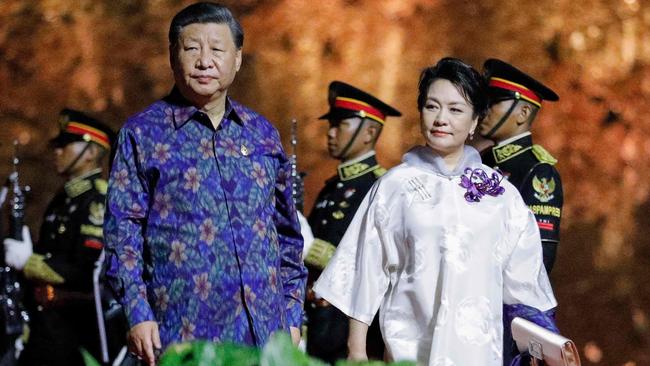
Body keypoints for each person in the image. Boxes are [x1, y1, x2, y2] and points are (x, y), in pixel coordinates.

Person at [313, 58, 558, 365]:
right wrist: (357, 352)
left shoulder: (502, 197)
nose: (441, 118)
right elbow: (363, 271)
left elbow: (525, 288)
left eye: (456, 110)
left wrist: (542, 346)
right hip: (409, 352)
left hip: (479, 354)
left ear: (474, 122)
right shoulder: (395, 186)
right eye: (432, 106)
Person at [103, 3, 307, 365]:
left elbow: (287, 233)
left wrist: (291, 313)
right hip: (182, 331)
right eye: (192, 48)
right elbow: (123, 231)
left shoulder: (262, 133)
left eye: (217, 49)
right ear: (172, 55)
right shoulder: (142, 134)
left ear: (238, 58)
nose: (204, 61)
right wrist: (137, 312)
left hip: (264, 333)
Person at [3, 108, 115, 365]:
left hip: (80, 327)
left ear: (90, 153)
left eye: (66, 145)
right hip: (48, 321)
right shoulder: (63, 200)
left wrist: (29, 262)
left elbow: (87, 271)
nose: (57, 151)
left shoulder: (97, 200)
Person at [304, 81, 401, 364]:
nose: (331, 133)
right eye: (330, 125)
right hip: (319, 322)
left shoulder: (380, 187)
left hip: (350, 329)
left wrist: (314, 250)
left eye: (340, 125)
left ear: (370, 131)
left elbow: (377, 263)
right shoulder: (331, 188)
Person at [477, 59, 563, 275]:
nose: (484, 111)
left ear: (523, 113)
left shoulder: (538, 172)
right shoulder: (481, 161)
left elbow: (539, 260)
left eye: (494, 102)